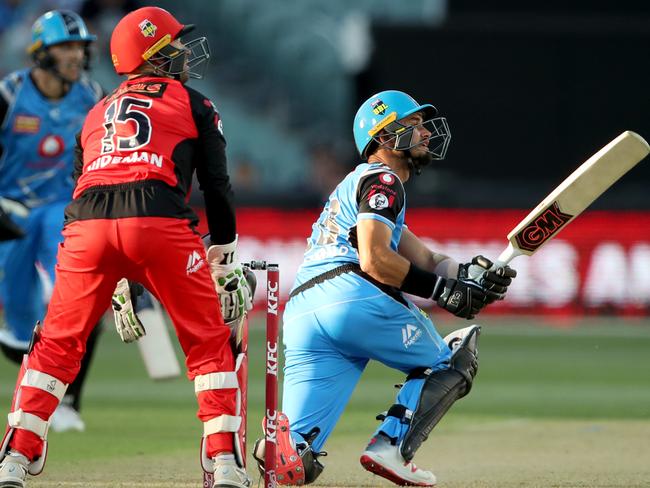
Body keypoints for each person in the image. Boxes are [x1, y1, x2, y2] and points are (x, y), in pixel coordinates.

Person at [0, 7, 253, 488]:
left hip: (87, 225)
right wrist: (224, 248)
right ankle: (223, 463)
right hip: (157, 218)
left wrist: (115, 272)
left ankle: (15, 456)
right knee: (207, 342)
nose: (182, 53)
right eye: (172, 45)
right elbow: (217, 186)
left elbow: (82, 182)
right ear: (153, 56)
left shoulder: (96, 110)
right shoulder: (195, 103)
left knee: (55, 346)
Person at [253, 90, 517, 486]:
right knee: (451, 362)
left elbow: (427, 259)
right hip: (349, 294)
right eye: (413, 125)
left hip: (305, 311)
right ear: (385, 138)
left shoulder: (359, 184)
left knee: (293, 460)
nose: (426, 132)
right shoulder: (384, 179)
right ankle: (392, 447)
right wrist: (445, 292)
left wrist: (470, 275)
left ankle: (260, 450)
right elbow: (375, 260)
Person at [0, 9, 103, 433]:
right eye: (65, 47)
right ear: (41, 53)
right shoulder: (8, 95)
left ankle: (68, 401)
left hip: (66, 209)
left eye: (80, 47)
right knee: (20, 321)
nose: (75, 56)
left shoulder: (93, 95)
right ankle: (39, 370)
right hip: (12, 210)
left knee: (76, 296)